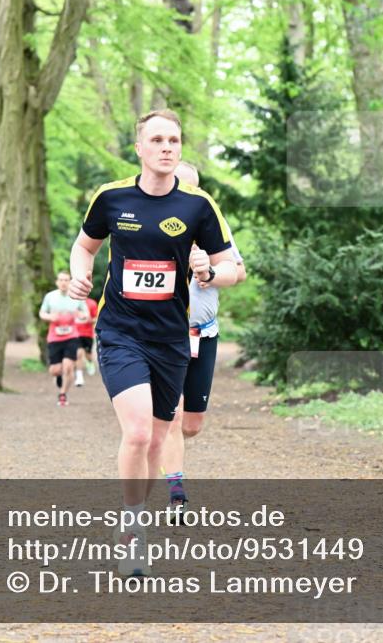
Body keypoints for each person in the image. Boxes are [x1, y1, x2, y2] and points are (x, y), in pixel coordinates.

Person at [67, 110, 237, 576]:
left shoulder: (198, 205)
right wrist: (81, 275)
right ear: (139, 148)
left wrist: (209, 272)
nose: (166, 147)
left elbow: (232, 267)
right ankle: (132, 530)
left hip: (170, 338)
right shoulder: (111, 197)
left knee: (161, 437)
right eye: (157, 139)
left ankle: (136, 514)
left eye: (174, 140)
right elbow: (84, 246)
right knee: (139, 432)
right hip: (120, 331)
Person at [159, 162, 246, 519]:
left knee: (191, 425)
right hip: (164, 335)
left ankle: (162, 445)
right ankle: (176, 492)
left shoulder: (212, 226)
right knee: (173, 417)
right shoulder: (154, 225)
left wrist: (210, 273)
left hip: (204, 332)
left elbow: (239, 271)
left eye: (194, 188)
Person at [38, 271, 89, 407]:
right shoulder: (50, 297)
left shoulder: (77, 297)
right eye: (61, 280)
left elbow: (86, 314)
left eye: (66, 280)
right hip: (54, 337)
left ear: (70, 282)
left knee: (68, 366)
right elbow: (42, 313)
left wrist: (82, 315)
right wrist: (50, 317)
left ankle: (63, 394)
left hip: (72, 336)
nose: (63, 283)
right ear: (57, 282)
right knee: (54, 370)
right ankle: (59, 376)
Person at [74, 295, 99, 386]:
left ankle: (90, 362)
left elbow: (96, 318)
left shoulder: (92, 303)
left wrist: (90, 320)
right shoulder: (72, 302)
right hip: (75, 334)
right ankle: (79, 377)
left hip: (87, 334)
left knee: (88, 355)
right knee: (79, 354)